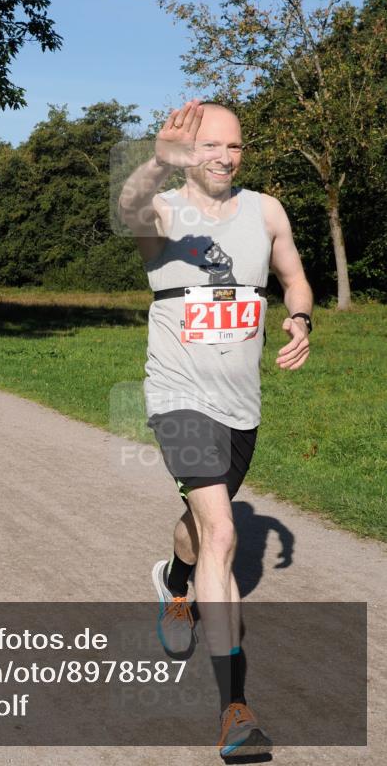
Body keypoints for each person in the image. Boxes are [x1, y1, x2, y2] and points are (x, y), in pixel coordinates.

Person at [118, 99, 313, 760]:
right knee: (225, 530)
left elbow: (294, 278)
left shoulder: (267, 211)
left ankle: (177, 584)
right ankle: (235, 710)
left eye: (234, 146)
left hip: (242, 404)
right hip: (179, 397)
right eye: (210, 147)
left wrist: (301, 319)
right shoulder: (167, 209)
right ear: (187, 152)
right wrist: (157, 161)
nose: (224, 158)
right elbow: (126, 211)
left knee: (199, 529)